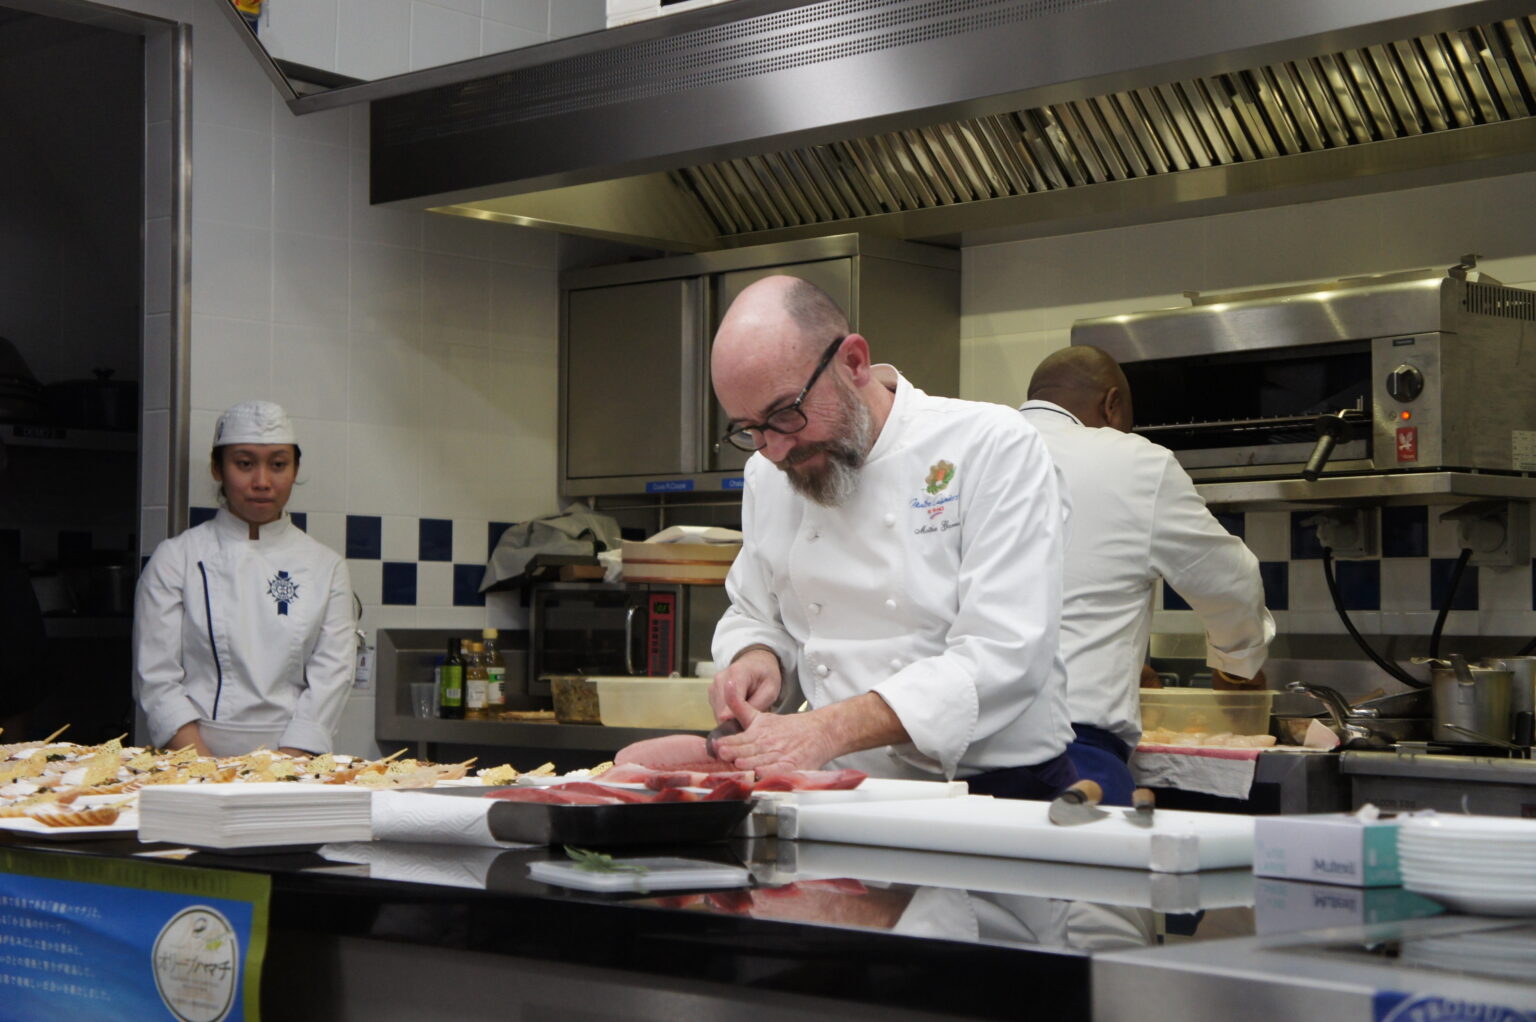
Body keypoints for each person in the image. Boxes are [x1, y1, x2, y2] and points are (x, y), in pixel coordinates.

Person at [706, 275, 1076, 798]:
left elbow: (1004, 652)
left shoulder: (990, 445)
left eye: (787, 413)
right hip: (846, 786)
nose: (775, 449)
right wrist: (756, 658)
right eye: (749, 429)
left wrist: (826, 729)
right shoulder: (768, 474)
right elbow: (755, 611)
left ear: (854, 361)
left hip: (1000, 792)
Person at [1020, 346, 1273, 805]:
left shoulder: (969, 446)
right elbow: (1231, 581)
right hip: (1069, 753)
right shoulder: (1136, 460)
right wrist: (1238, 669)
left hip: (948, 757)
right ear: (1111, 405)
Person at [133, 401, 356, 757]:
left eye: (279, 465)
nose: (262, 482)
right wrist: (205, 770)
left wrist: (285, 767)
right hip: (191, 760)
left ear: (296, 469)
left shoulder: (325, 566)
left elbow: (332, 676)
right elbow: (156, 677)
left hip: (296, 761)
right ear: (217, 469)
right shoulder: (177, 558)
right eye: (244, 464)